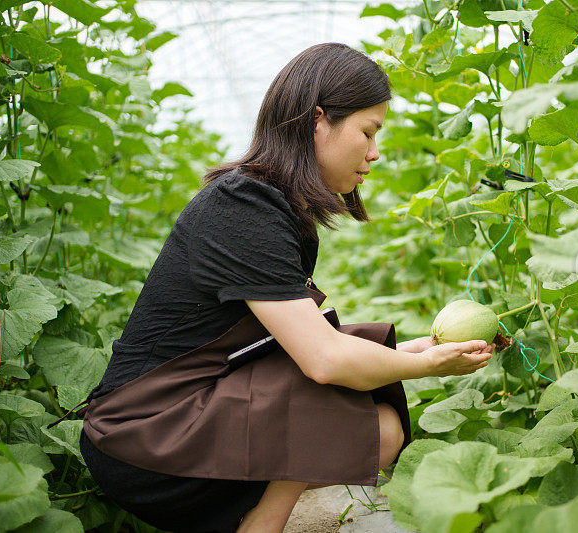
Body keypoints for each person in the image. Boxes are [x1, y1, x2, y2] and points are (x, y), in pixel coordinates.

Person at [76, 42, 495, 533]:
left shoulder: (274, 208)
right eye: (368, 131)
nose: (375, 153)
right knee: (336, 388)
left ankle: (250, 518)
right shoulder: (242, 205)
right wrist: (425, 364)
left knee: (378, 428)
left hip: (187, 410)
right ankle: (262, 524)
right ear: (319, 121)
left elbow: (293, 348)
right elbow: (323, 359)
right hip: (141, 436)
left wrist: (414, 350)